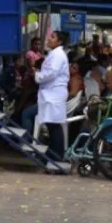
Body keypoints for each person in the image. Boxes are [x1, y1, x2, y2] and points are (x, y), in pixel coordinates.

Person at [34, 31, 70, 161]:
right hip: (51, 92)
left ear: (59, 42)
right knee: (52, 125)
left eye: (52, 37)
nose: (49, 39)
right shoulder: (55, 54)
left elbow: (51, 73)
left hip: (54, 93)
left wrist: (37, 76)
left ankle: (56, 157)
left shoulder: (58, 55)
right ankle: (54, 156)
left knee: (54, 125)